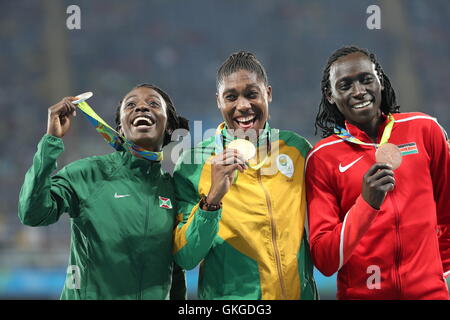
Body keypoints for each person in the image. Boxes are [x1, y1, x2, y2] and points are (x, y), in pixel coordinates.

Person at [18, 84, 188, 299]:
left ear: (170, 127)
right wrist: (51, 141)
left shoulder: (174, 190)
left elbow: (175, 271)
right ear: (120, 129)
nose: (142, 108)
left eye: (153, 104)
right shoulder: (88, 174)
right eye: (131, 105)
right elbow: (32, 214)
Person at [306, 45, 450, 299]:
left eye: (366, 79)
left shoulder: (425, 130)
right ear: (330, 95)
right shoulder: (322, 158)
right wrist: (366, 204)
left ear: (380, 81)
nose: (359, 91)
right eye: (345, 85)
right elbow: (325, 260)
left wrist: (435, 278)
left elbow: (447, 214)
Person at [172, 51, 318, 300]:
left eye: (252, 94)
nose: (243, 106)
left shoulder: (298, 150)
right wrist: (211, 201)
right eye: (231, 97)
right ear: (219, 101)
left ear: (268, 94)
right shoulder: (192, 164)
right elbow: (186, 257)